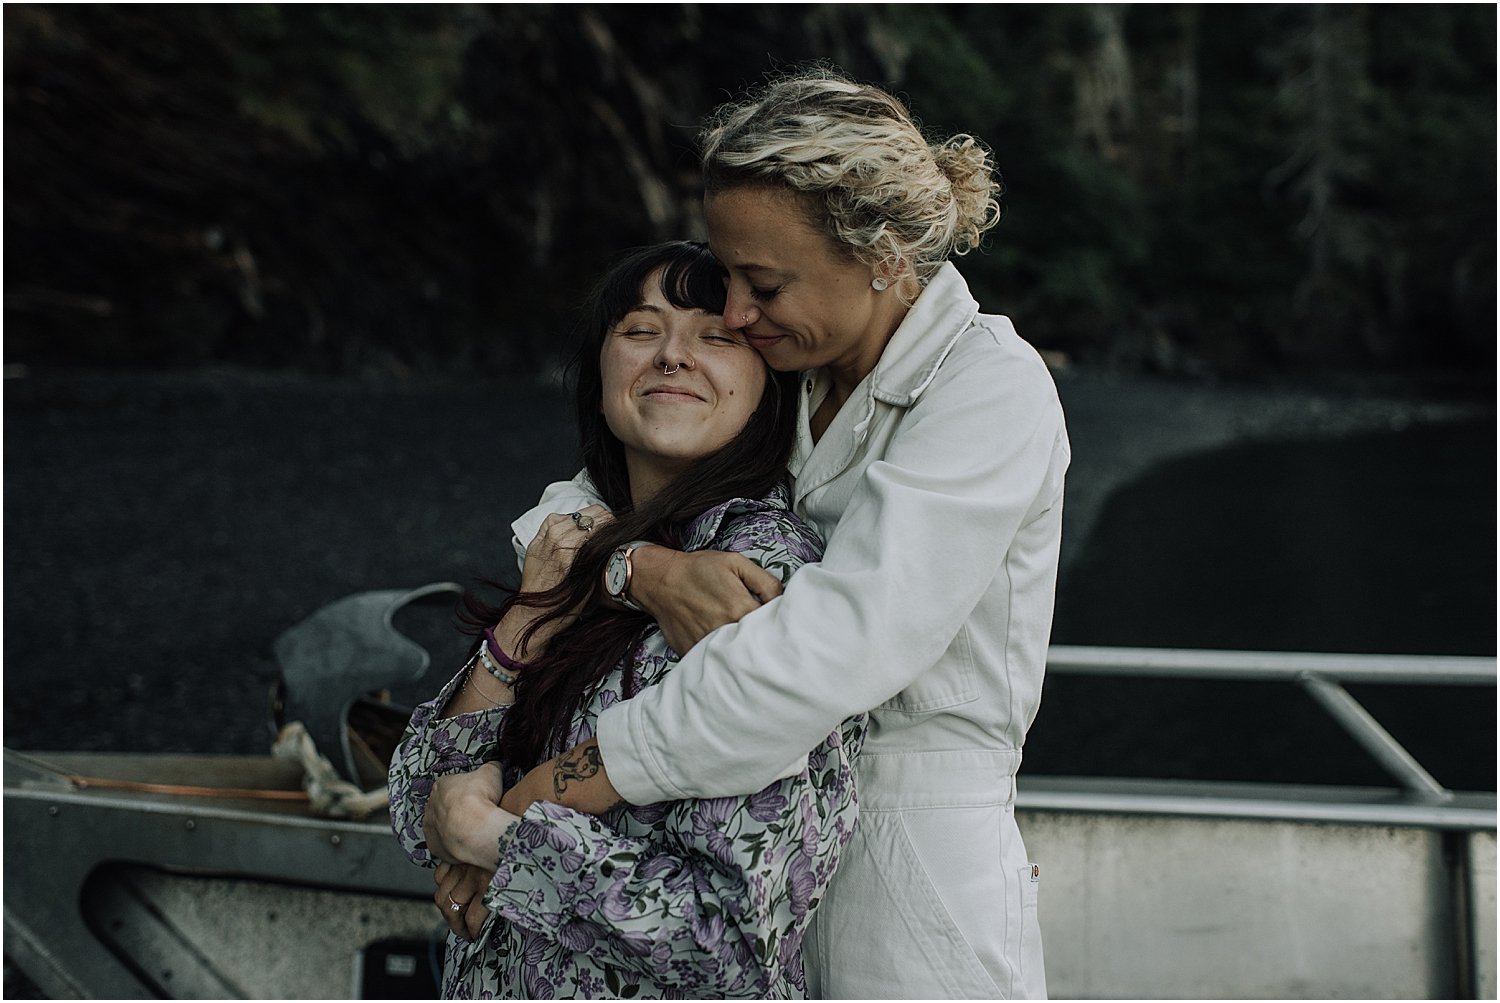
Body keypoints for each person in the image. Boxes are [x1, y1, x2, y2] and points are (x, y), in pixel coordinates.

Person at [434, 66, 1069, 999]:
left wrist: (540, 800)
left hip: (909, 859)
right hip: (750, 824)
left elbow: (826, 652)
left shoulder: (987, 392)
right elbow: (566, 511)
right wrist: (639, 571)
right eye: (731, 276)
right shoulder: (799, 370)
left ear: (883, 258)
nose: (733, 313)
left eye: (762, 282)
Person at [388, 240, 865, 999]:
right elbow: (424, 813)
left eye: (717, 336)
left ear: (770, 382)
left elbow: (729, 944)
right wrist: (520, 629)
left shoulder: (767, 575)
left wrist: (508, 842)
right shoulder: (582, 542)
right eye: (641, 330)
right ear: (601, 374)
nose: (673, 355)